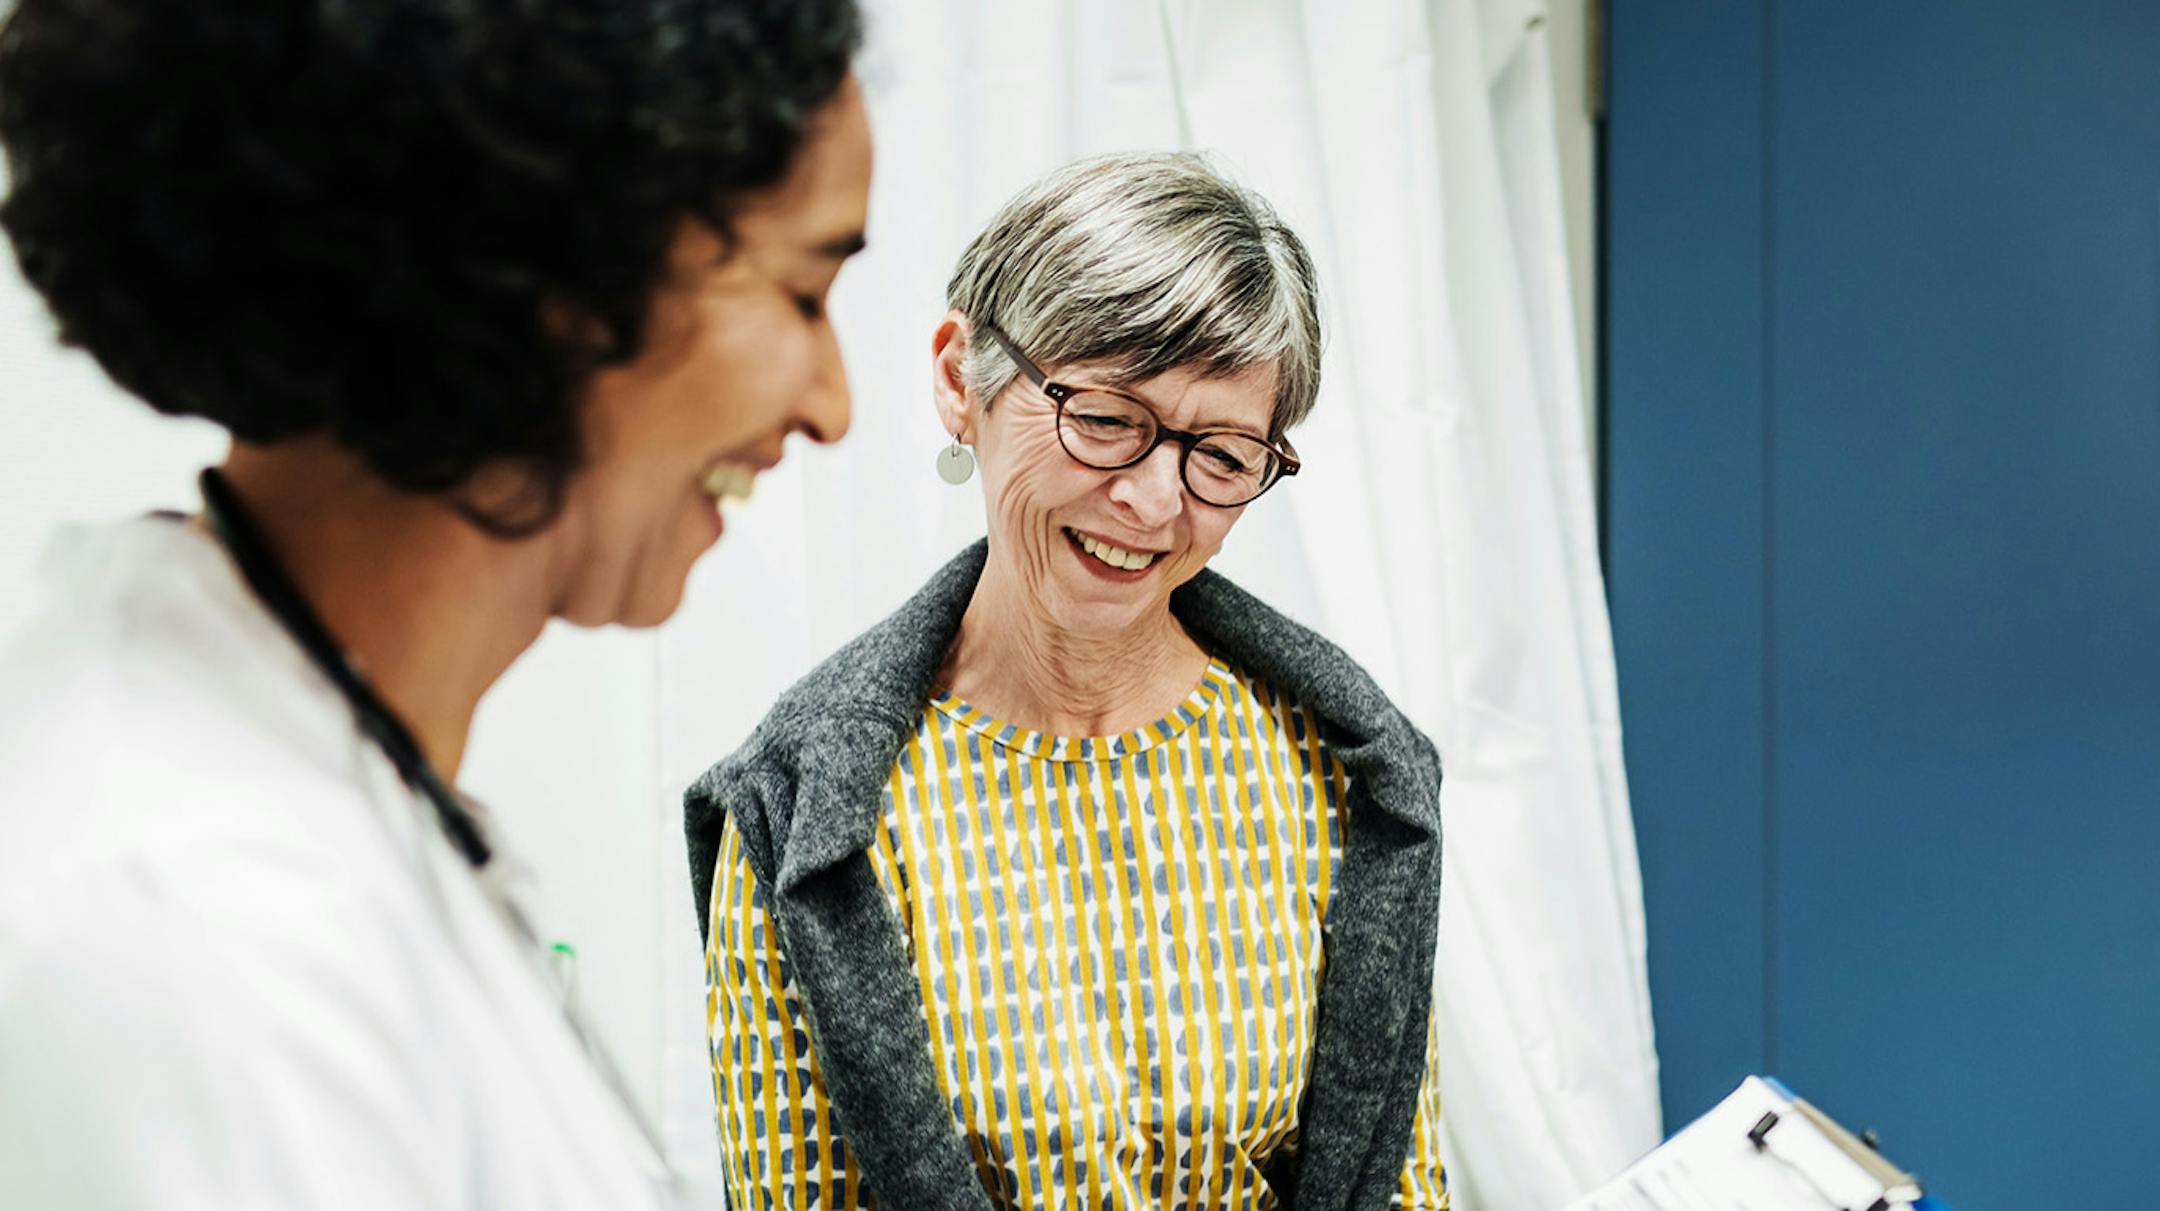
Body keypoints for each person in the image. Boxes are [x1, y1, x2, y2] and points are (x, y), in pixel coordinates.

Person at [0, 2, 870, 1207]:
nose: (834, 406)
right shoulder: (208, 913)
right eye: (803, 294)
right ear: (560, 275)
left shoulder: (308, 787)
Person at [688, 152, 1450, 1211]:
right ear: (964, 378)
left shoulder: (1345, 770)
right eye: (1104, 418)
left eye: (1222, 456)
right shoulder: (808, 811)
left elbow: (1399, 1178)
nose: (1149, 500)